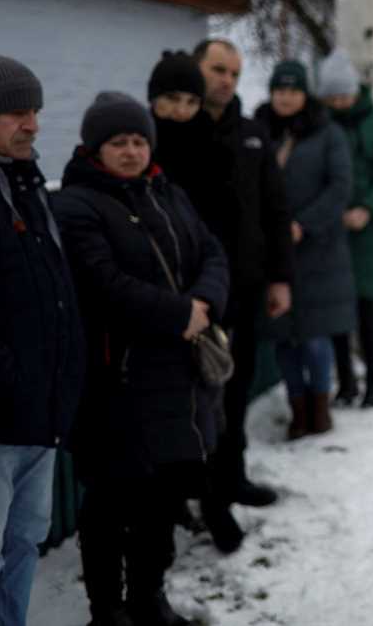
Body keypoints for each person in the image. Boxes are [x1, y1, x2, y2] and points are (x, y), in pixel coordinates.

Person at [52, 92, 229, 626]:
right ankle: (107, 609)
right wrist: (181, 313)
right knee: (112, 500)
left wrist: (204, 303)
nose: (130, 151)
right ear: (93, 148)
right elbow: (102, 284)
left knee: (165, 491)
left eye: (137, 140)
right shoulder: (76, 204)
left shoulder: (165, 191)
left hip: (177, 375)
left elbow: (212, 252)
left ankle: (149, 597)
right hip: (118, 377)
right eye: (117, 142)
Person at [0, 55, 84, 626]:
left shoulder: (27, 185)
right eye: (17, 113)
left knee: (25, 544)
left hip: (39, 416)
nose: (33, 124)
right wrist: (11, 384)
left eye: (37, 111)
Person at [190, 39, 293, 553]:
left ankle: (231, 480)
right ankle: (206, 500)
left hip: (247, 289)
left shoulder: (251, 134)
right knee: (200, 400)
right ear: (196, 69)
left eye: (234, 71)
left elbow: (276, 210)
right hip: (193, 298)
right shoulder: (174, 131)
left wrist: (280, 278)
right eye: (217, 69)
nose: (227, 79)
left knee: (238, 390)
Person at [256, 61, 355, 440]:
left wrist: (304, 224)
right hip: (272, 252)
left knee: (315, 338)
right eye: (279, 90)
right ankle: (297, 409)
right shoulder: (258, 131)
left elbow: (339, 187)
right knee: (283, 337)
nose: (285, 97)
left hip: (318, 252)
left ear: (304, 94)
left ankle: (319, 407)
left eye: (293, 90)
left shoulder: (327, 133)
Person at [317, 51, 373, 408]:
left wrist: (369, 208)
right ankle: (345, 383)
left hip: (369, 230)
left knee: (366, 305)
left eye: (343, 95)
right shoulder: (324, 124)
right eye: (332, 97)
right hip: (331, 228)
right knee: (337, 306)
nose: (339, 102)